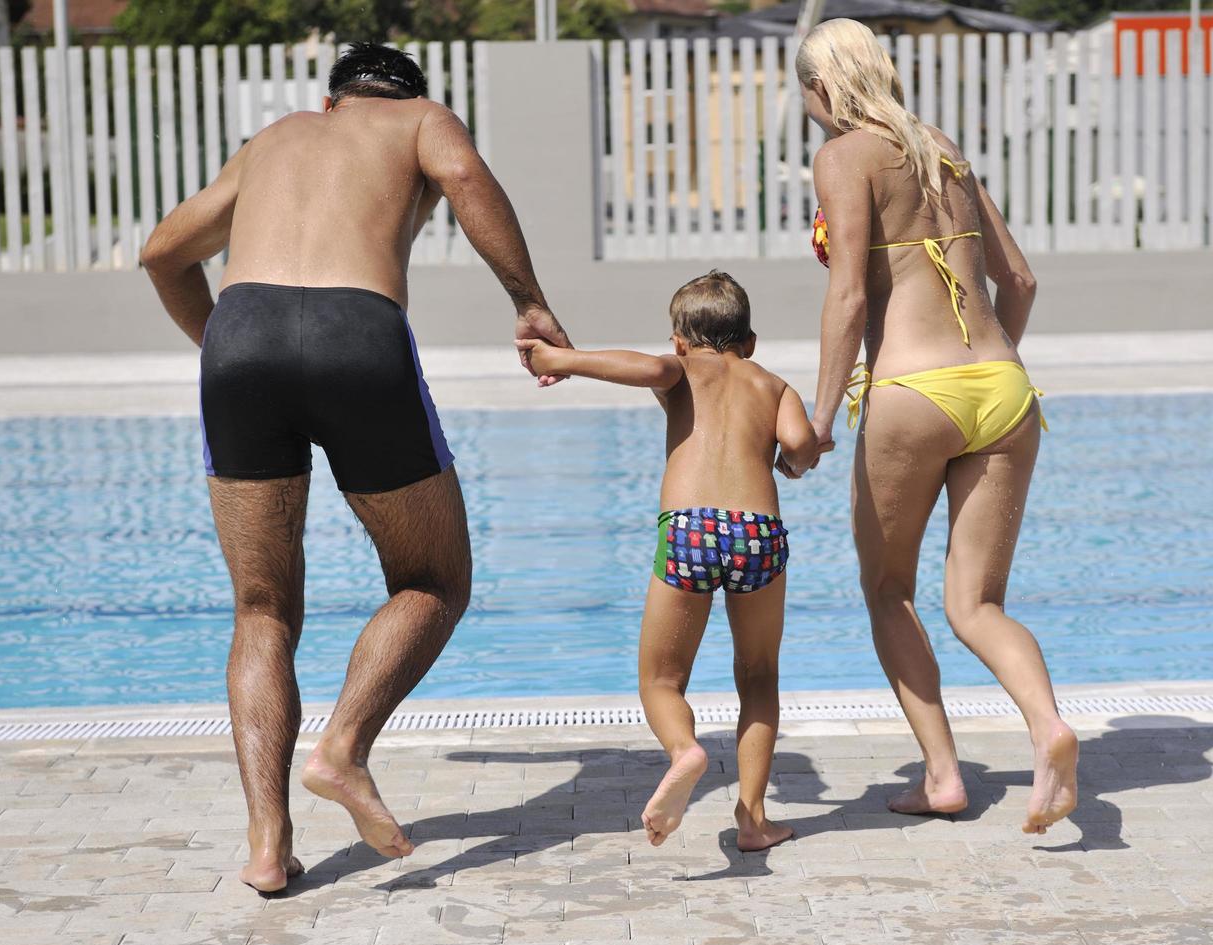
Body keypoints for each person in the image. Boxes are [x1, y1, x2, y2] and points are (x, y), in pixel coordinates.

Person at [139, 42, 572, 892]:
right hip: (356, 332)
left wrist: (224, 347)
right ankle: (342, 746)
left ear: (334, 100)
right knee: (433, 580)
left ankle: (268, 846)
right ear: (400, 98)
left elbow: (162, 253)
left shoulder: (274, 138)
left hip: (241, 333)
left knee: (261, 609)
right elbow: (470, 180)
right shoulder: (421, 122)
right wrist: (527, 299)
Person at [792, 19, 1077, 835]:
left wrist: (818, 418)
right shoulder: (937, 145)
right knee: (977, 604)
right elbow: (1016, 279)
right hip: (1002, 387)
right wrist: (988, 366)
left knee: (889, 591)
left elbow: (848, 296)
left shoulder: (843, 156)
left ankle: (944, 776)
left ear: (821, 87)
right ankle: (1047, 727)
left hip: (912, 391)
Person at [517, 271, 817, 851]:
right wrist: (795, 461)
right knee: (759, 675)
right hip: (758, 534)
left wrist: (563, 358)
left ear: (680, 340)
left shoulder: (677, 369)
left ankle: (686, 751)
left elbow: (649, 369)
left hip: (690, 530)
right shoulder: (775, 386)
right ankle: (753, 820)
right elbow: (801, 447)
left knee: (660, 679)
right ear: (749, 342)